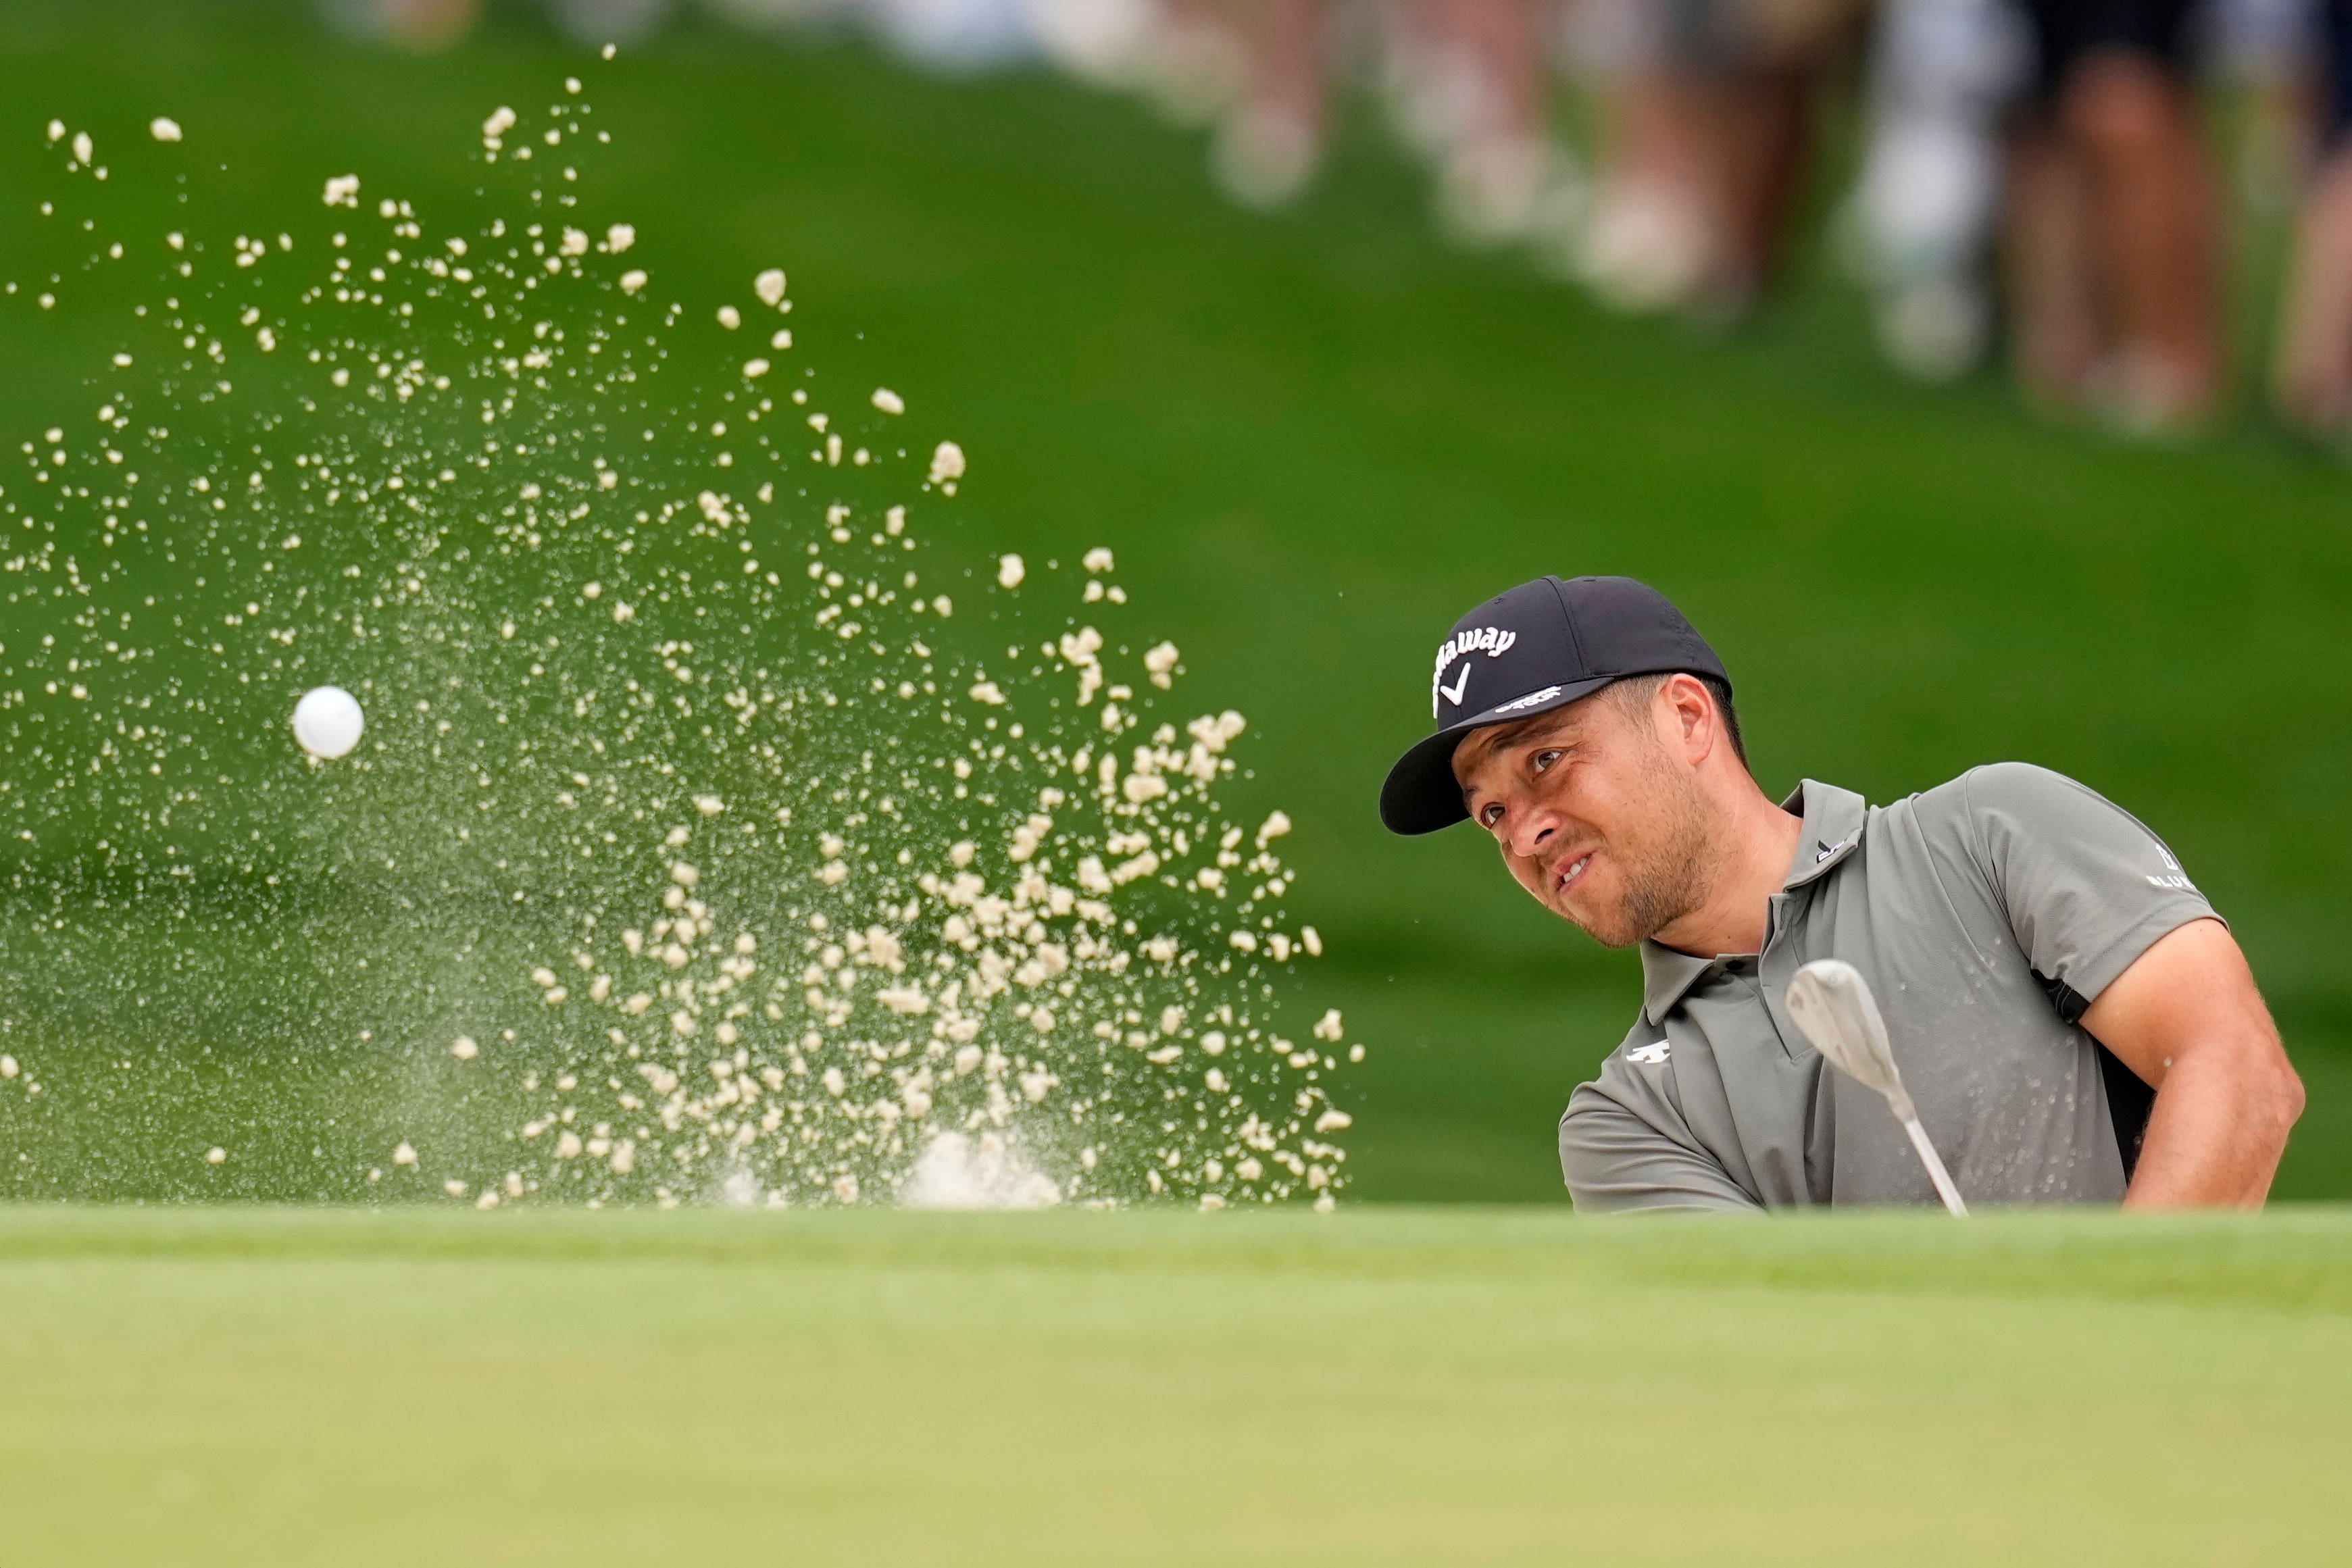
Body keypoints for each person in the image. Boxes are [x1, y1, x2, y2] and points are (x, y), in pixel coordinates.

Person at [1378, 574, 2304, 1211]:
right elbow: (1798, 1369)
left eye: (1547, 760)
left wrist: (2110, 1363)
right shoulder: (1626, 1124)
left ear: (1686, 717)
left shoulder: (1990, 833)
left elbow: (2236, 1071)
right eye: (1491, 813)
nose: (1524, 829)